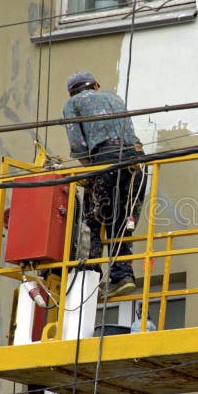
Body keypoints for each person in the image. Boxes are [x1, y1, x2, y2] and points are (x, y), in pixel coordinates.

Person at [63, 71, 146, 297]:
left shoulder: (73, 103)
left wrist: (92, 176)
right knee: (123, 220)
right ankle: (123, 275)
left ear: (72, 92)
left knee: (93, 217)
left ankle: (91, 275)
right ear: (96, 85)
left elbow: (79, 146)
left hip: (107, 158)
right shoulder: (115, 98)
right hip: (138, 162)